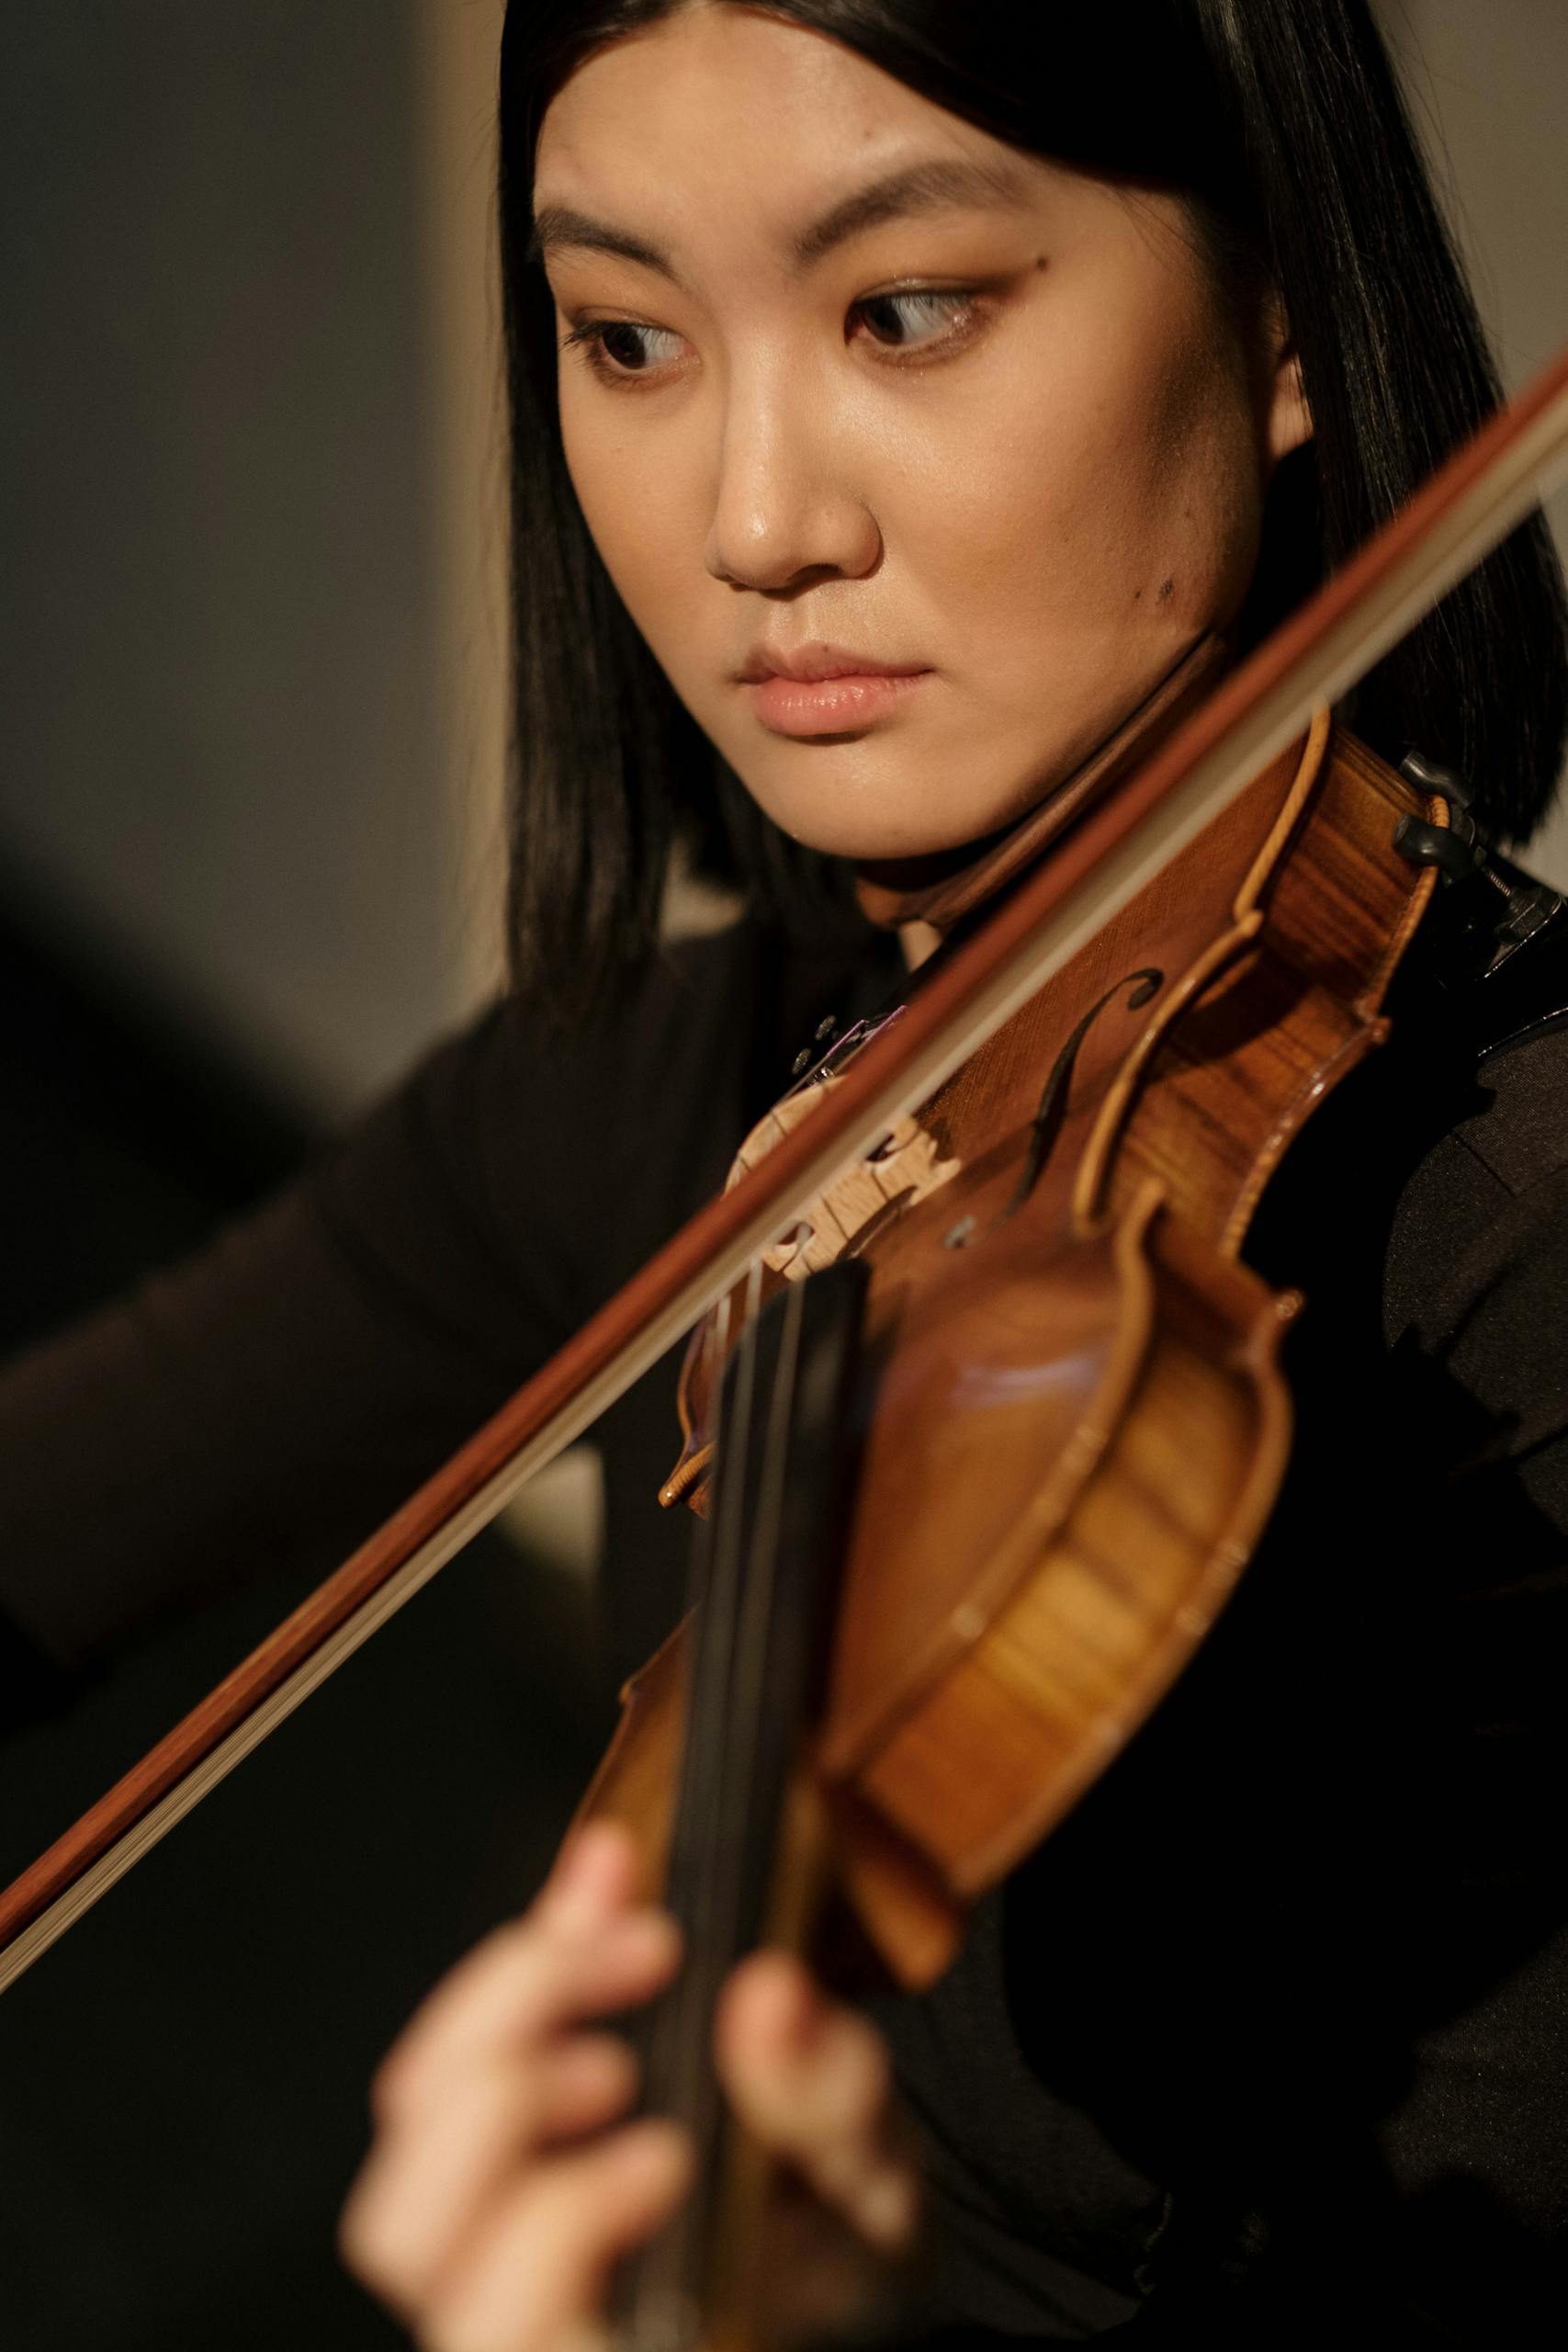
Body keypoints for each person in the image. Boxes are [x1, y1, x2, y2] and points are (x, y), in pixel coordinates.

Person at [4, 1, 1566, 2342]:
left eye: (901, 311)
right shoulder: (719, 1080)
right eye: (624, 336)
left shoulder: (1512, 1263)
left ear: (1274, 320)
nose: (751, 524)